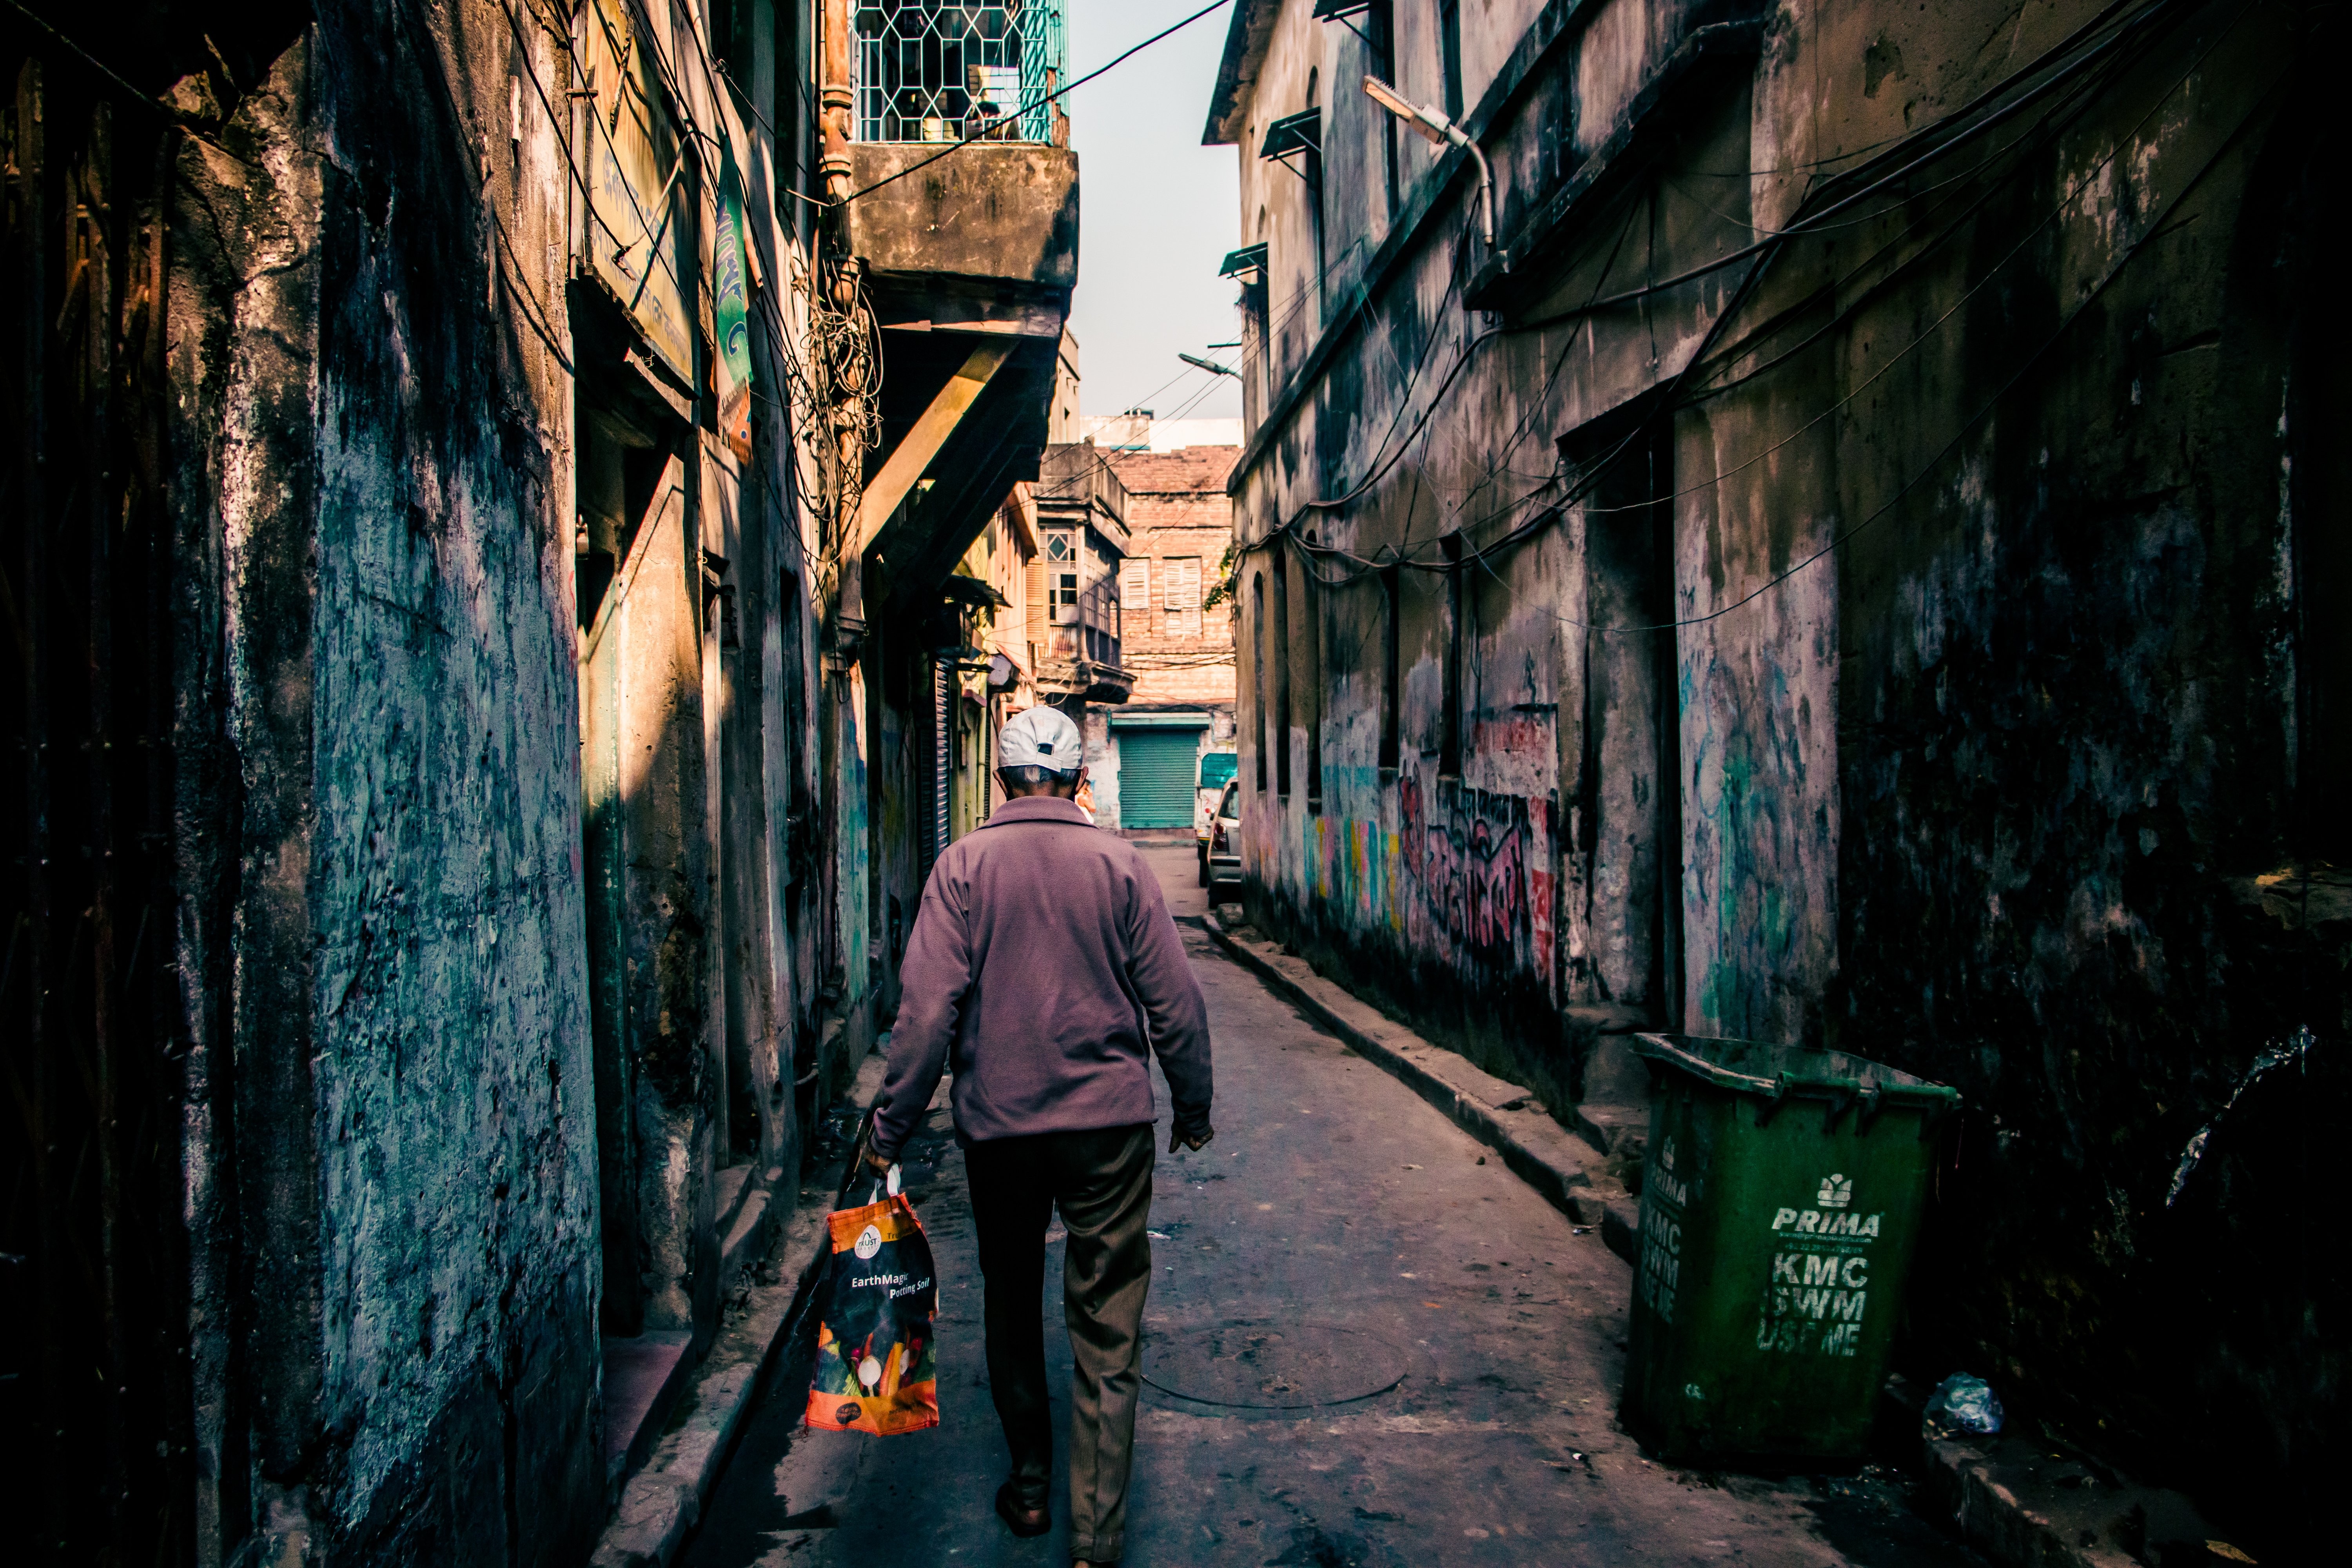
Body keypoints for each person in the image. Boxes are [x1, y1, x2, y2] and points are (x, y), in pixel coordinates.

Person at [863, 704, 1213, 1568]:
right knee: (1108, 1325)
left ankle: (1028, 1488)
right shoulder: (1121, 866)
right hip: (1110, 1130)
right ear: (1078, 781)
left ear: (1001, 780)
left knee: (1012, 1300)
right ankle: (1095, 1535)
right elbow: (1175, 1004)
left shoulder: (963, 868)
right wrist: (1193, 1106)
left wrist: (889, 1129)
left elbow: (924, 1019)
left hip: (1003, 1130)